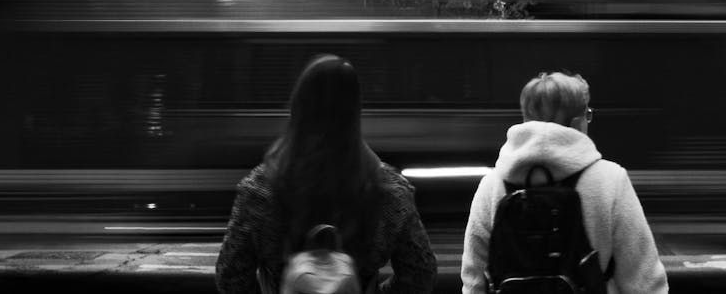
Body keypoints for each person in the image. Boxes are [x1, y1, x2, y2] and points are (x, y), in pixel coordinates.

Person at [216, 54, 437, 294]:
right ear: (354, 112)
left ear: (298, 107)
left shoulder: (259, 191)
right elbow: (420, 274)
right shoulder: (390, 191)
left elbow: (231, 276)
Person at [461, 71, 669, 294]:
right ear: (579, 121)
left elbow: (474, 279)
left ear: (526, 117)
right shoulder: (611, 180)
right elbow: (644, 280)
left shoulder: (493, 184)